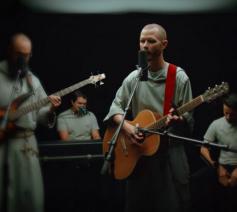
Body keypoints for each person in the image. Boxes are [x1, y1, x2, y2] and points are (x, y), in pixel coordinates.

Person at [104, 23, 194, 212]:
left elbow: (189, 120)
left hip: (169, 156)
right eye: (142, 41)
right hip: (139, 156)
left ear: (164, 44)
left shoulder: (178, 78)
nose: (145, 45)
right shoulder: (133, 78)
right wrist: (128, 128)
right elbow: (115, 108)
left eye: (151, 41)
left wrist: (180, 120)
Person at [0, 33, 61, 212]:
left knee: (31, 197)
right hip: (5, 145)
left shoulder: (32, 81)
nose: (23, 59)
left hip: (28, 145)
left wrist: (50, 109)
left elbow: (41, 116)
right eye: (19, 54)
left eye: (27, 55)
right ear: (9, 51)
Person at [200, 93, 237, 212]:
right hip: (222, 166)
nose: (228, 117)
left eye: (232, 114)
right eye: (225, 113)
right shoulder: (217, 124)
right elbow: (203, 148)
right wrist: (216, 166)